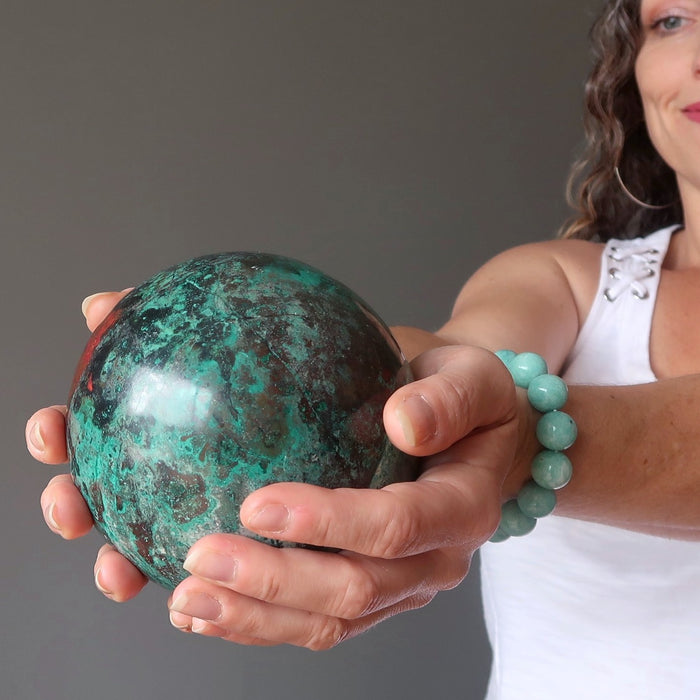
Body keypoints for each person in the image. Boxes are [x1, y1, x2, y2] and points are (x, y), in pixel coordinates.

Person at [24, 0, 700, 695]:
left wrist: (531, 443)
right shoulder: (565, 282)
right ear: (633, 68)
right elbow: (441, 360)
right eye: (673, 20)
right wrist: (277, 367)